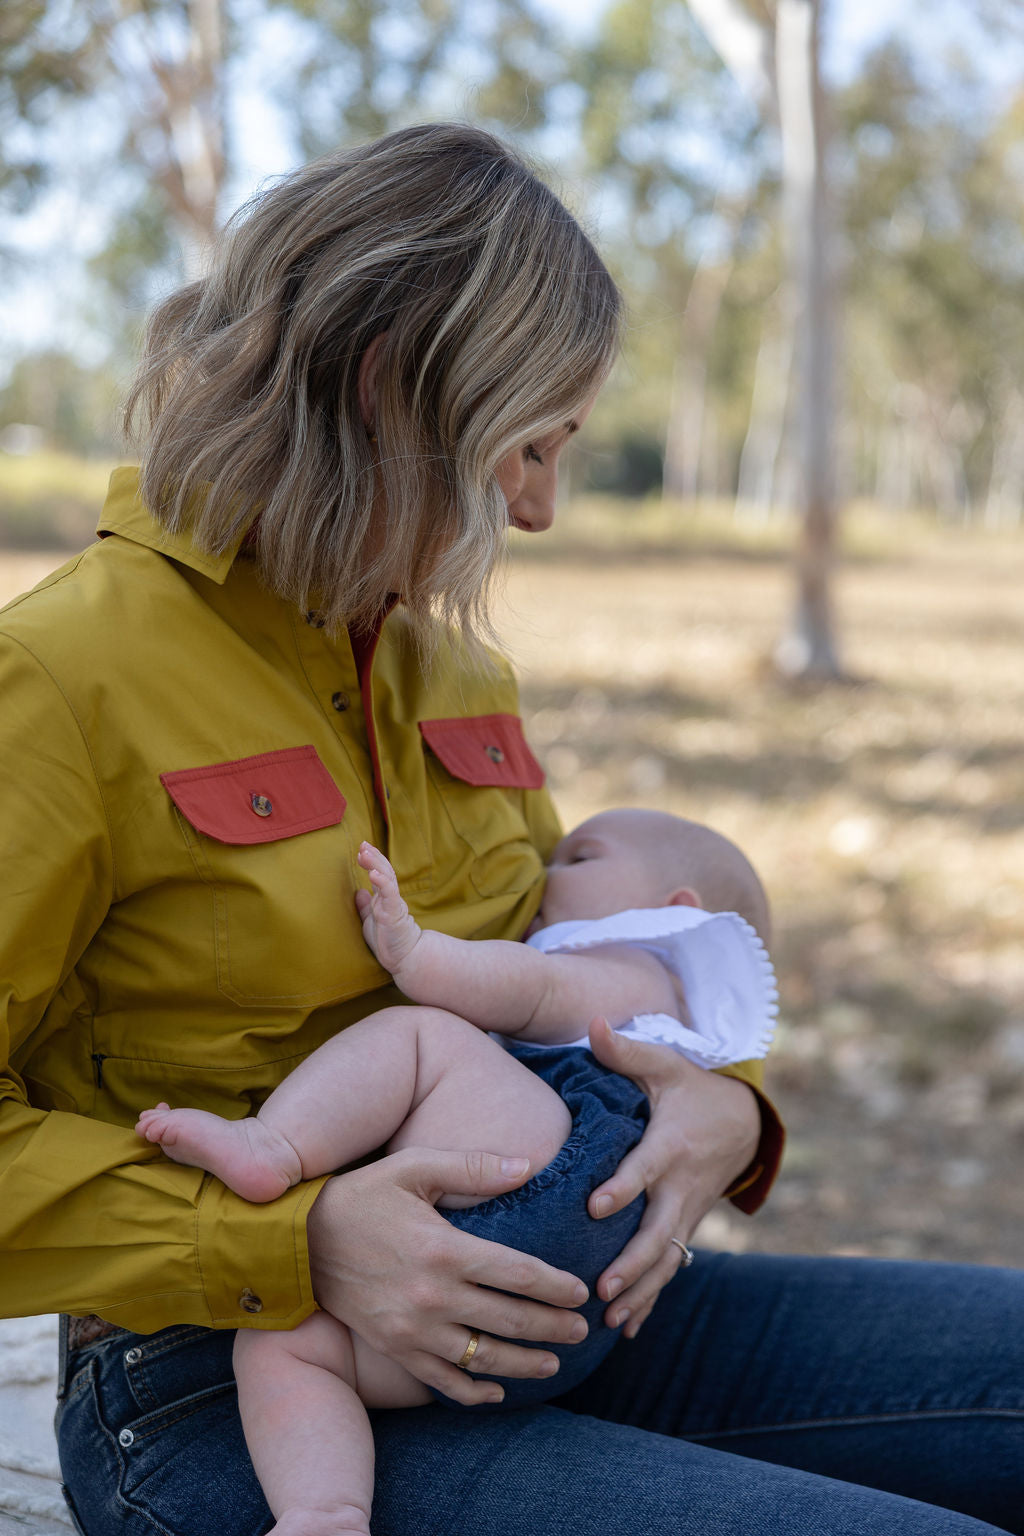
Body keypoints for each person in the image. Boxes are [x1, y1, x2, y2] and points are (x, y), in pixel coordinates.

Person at [0, 124, 1021, 1536]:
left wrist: (718, 1103)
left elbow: (586, 954)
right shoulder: (62, 678)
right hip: (232, 1387)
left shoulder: (450, 663)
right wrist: (288, 1238)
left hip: (560, 1301)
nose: (538, 510)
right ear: (387, 391)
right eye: (525, 445)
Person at [134, 810, 779, 1535]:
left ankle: (275, 1148)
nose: (545, 871)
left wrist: (417, 955)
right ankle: (325, 1513)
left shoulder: (634, 963)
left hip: (551, 1173)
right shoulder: (698, 1030)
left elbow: (533, 988)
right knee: (289, 1348)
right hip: (575, 1326)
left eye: (579, 858)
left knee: (422, 1038)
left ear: (674, 911)